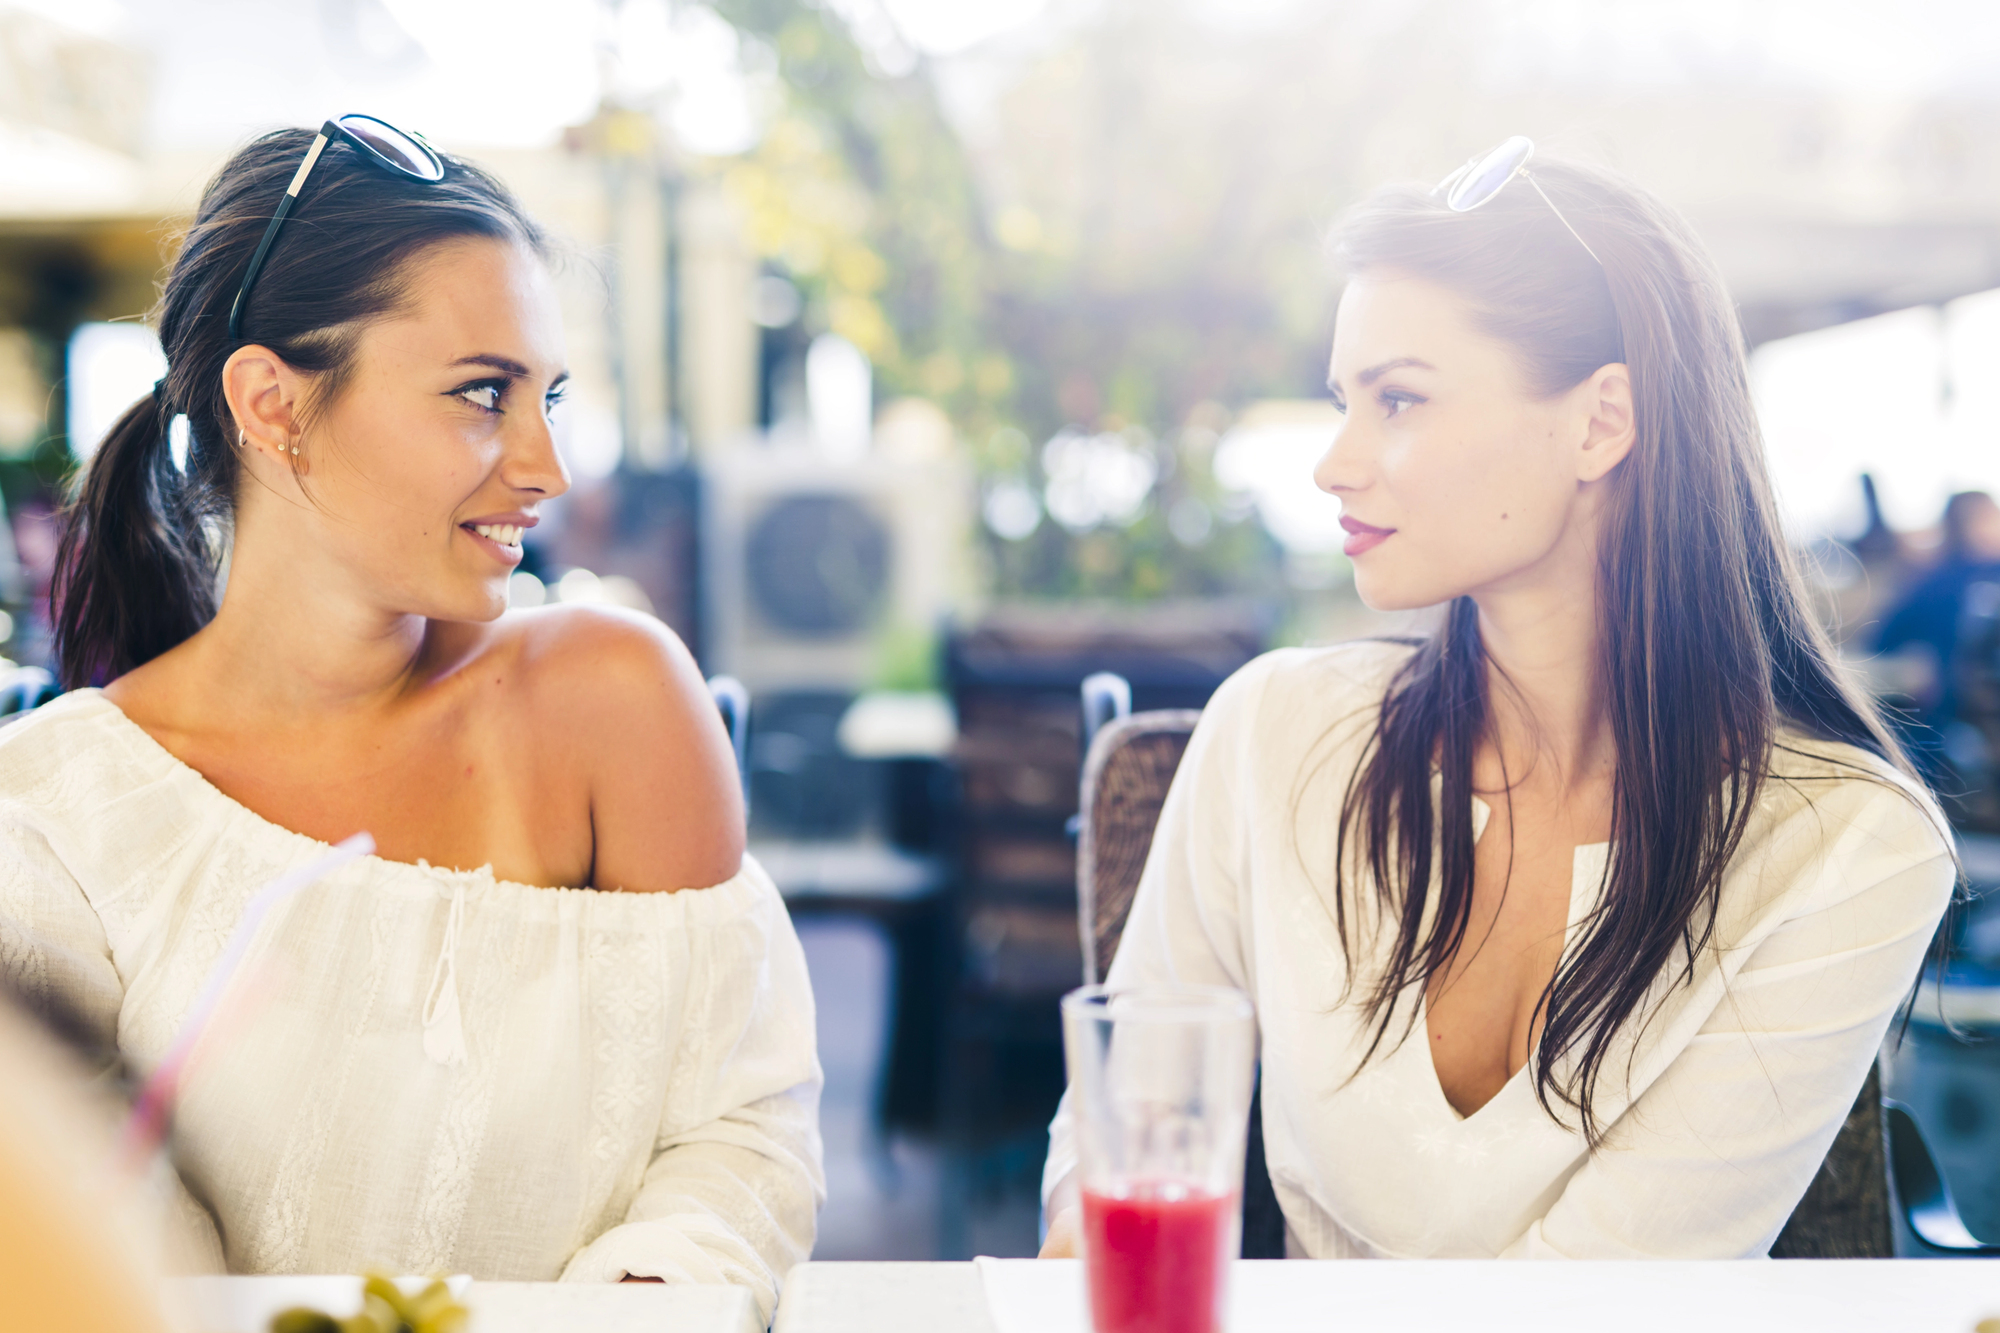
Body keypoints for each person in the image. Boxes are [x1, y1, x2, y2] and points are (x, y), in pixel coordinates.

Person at [1041, 140, 1954, 1260]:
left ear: (1598, 422)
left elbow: (1603, 1297)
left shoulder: (1845, 847)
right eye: (1343, 400)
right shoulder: (1273, 732)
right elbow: (1118, 1145)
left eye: (1398, 399)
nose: (1333, 461)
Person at [0, 119, 820, 1320]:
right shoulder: (59, 814)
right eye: (483, 394)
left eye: (549, 395)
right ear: (271, 405)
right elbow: (74, 1247)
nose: (547, 466)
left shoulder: (616, 699)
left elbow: (742, 1131)